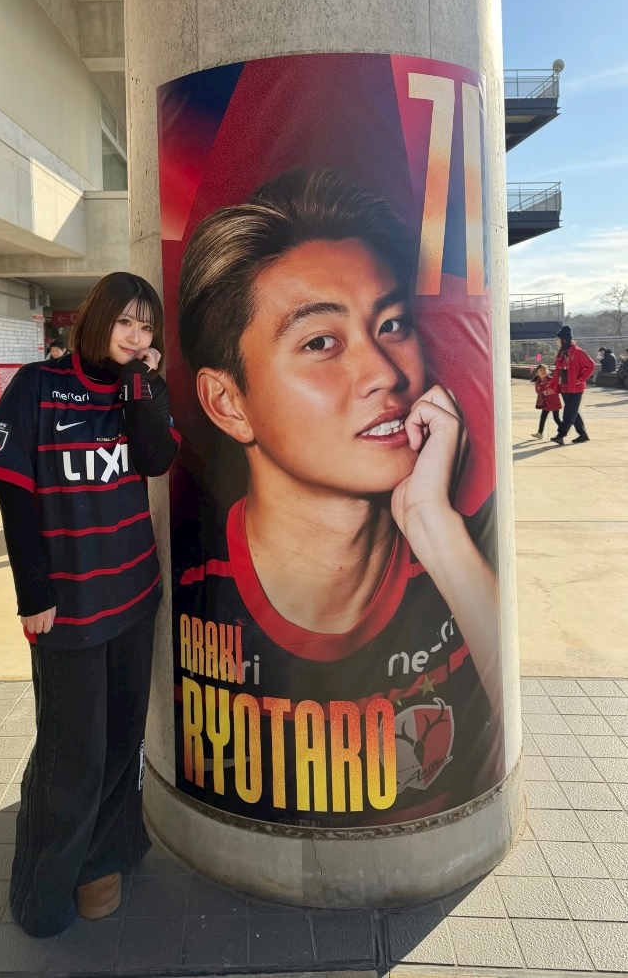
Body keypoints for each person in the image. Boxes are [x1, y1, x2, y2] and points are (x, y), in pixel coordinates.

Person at [175, 168, 503, 827]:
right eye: (321, 342)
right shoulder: (189, 580)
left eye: (392, 324)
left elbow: (510, 730)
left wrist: (435, 529)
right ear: (228, 402)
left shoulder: (461, 553)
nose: (385, 373)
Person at [0, 272, 179, 937]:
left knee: (122, 742)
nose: (136, 336)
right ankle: (43, 887)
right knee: (72, 756)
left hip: (134, 594)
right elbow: (13, 492)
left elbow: (155, 459)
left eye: (146, 327)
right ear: (98, 319)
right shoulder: (36, 386)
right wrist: (32, 591)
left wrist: (141, 386)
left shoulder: (139, 390)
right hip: (68, 609)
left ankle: (102, 861)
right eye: (125, 322)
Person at [551, 325, 595, 445]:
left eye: (558, 339)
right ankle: (582, 434)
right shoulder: (561, 353)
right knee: (572, 411)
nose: (557, 341)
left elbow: (591, 365)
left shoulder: (578, 352)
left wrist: (581, 379)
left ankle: (561, 435)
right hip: (564, 386)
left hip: (575, 387)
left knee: (569, 412)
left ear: (564, 339)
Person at [530, 363, 562, 437]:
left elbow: (556, 389)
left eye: (545, 369)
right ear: (537, 372)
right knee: (543, 417)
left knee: (556, 418)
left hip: (554, 401)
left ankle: (563, 430)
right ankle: (540, 433)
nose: (543, 371)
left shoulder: (552, 380)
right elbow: (537, 391)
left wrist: (546, 392)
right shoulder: (537, 382)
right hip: (545, 402)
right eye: (541, 370)